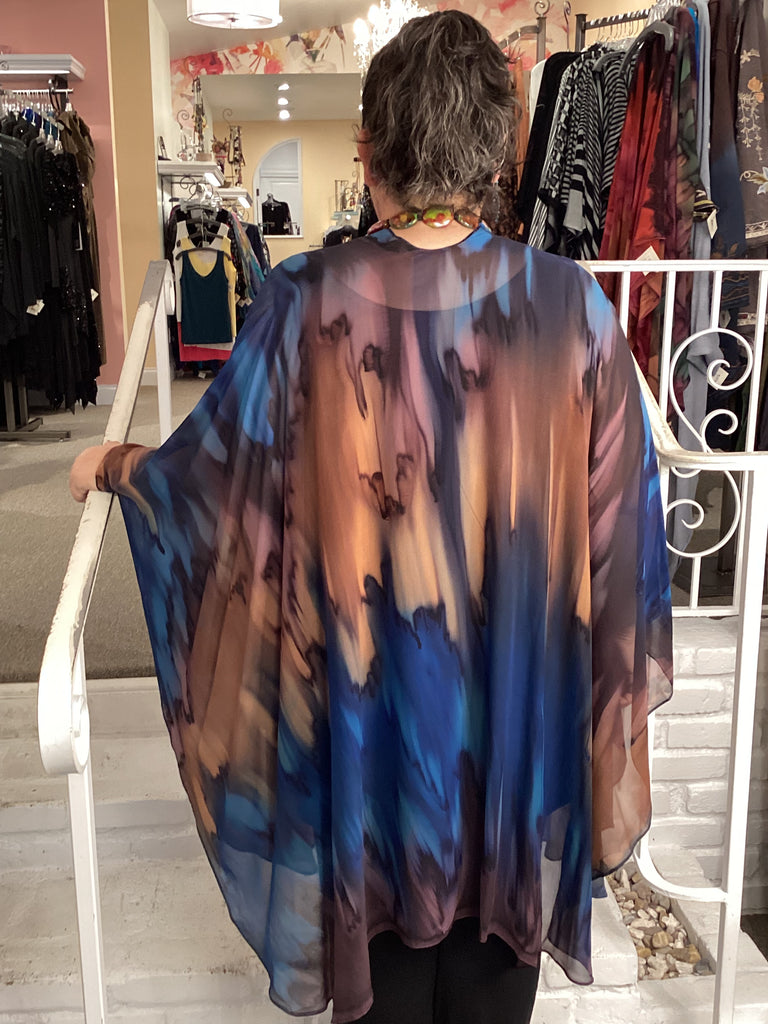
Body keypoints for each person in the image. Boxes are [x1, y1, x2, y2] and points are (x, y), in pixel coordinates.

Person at [70, 11, 673, 1024]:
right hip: (509, 754)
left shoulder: (307, 301)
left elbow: (217, 483)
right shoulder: (572, 309)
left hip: (369, 742)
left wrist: (119, 466)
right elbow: (623, 539)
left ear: (371, 148)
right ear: (499, 153)